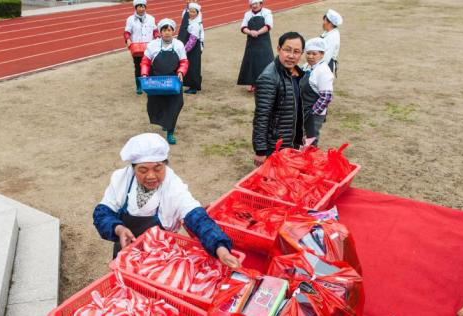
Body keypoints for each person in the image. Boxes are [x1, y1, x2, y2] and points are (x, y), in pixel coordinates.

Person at [93, 133, 241, 268]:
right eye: (143, 170)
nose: (151, 176)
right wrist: (118, 229)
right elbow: (102, 213)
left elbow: (196, 217)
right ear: (133, 168)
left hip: (161, 256)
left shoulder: (173, 185)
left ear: (165, 164)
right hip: (126, 249)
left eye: (158, 168)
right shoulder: (121, 179)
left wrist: (220, 249)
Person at [252, 32, 305, 167]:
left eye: (296, 51)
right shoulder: (269, 77)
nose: (291, 56)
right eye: (287, 50)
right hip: (275, 146)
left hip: (290, 142)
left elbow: (296, 108)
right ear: (278, 49)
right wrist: (260, 150)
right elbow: (261, 116)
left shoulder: (295, 74)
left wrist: (300, 134)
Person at [141, 19, 189, 145]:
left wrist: (181, 72)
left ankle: (170, 131)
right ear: (160, 32)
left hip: (174, 82)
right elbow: (145, 61)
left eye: (169, 30)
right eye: (164, 30)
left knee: (175, 105)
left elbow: (184, 61)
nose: (167, 33)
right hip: (157, 81)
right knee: (156, 105)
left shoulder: (179, 45)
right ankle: (164, 121)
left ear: (173, 31)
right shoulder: (153, 45)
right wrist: (145, 74)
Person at [301, 38, 334, 147]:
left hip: (314, 113)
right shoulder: (306, 66)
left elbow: (326, 97)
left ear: (322, 54)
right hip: (304, 110)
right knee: (301, 138)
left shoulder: (323, 71)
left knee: (310, 141)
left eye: (314, 54)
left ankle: (311, 162)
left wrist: (312, 113)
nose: (310, 56)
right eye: (308, 53)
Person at [237, 0, 274, 93]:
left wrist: (258, 32)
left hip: (263, 42)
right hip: (251, 42)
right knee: (252, 62)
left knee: (264, 62)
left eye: (256, 4)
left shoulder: (267, 12)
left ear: (261, 4)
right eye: (252, 4)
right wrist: (250, 32)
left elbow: (268, 26)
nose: (254, 6)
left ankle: (264, 85)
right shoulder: (247, 14)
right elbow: (243, 27)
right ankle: (252, 83)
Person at [124, 0, 159, 95]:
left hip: (149, 46)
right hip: (137, 47)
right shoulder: (130, 19)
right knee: (138, 66)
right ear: (135, 8)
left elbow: (155, 30)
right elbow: (127, 32)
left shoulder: (151, 18)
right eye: (139, 6)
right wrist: (128, 39)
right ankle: (139, 86)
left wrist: (157, 37)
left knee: (151, 66)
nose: (141, 8)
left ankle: (150, 84)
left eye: (143, 6)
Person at [181, 3, 204, 94]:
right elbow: (183, 14)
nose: (192, 13)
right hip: (190, 48)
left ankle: (194, 87)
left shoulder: (196, 24)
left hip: (193, 49)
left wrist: (185, 50)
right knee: (190, 66)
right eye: (190, 11)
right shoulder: (189, 20)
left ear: (197, 13)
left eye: (194, 12)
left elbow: (192, 40)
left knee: (193, 67)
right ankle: (192, 85)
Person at [320, 9, 343, 76]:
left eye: (324, 20)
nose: (323, 23)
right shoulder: (328, 32)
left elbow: (326, 57)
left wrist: (316, 68)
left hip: (326, 66)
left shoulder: (332, 37)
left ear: (330, 23)